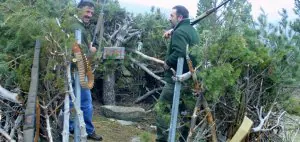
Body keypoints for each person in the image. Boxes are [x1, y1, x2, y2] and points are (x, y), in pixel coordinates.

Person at [154, 5, 200, 142]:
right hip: (190, 79)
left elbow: (180, 52)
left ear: (179, 17)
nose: (169, 18)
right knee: (185, 112)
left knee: (161, 108)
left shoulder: (179, 32)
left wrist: (167, 62)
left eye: (171, 16)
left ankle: (162, 139)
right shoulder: (192, 31)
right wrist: (172, 31)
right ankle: (183, 139)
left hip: (176, 80)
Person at [69, 0, 102, 141]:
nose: (90, 15)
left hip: (74, 70)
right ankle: (87, 130)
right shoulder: (76, 27)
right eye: (87, 11)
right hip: (77, 70)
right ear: (79, 10)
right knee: (85, 101)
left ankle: (72, 127)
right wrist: (92, 52)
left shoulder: (80, 26)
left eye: (92, 13)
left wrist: (89, 44)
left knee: (72, 100)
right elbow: (77, 56)